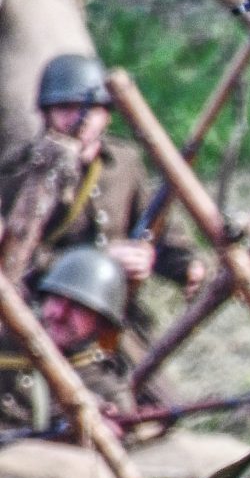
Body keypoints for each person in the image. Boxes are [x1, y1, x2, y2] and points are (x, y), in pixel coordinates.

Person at [0, 53, 200, 296]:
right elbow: (14, 259)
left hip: (113, 307)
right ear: (46, 113)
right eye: (65, 108)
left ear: (107, 115)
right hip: (46, 309)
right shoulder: (20, 171)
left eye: (91, 109)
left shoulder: (125, 162)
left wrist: (188, 266)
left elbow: (157, 229)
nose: (78, 120)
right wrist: (97, 259)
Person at [0, 245, 132, 427]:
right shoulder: (7, 340)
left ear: (101, 323)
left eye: (78, 307)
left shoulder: (106, 391)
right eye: (56, 299)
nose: (60, 314)